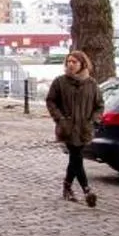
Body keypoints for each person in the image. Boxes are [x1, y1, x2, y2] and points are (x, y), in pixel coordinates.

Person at [46, 50, 103, 207]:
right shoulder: (60, 82)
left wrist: (93, 120)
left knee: (75, 159)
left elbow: (99, 105)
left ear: (82, 64)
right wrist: (60, 118)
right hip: (68, 127)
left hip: (84, 128)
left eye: (74, 62)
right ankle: (86, 190)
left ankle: (67, 186)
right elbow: (51, 101)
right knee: (76, 156)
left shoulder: (91, 84)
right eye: (68, 62)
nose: (70, 64)